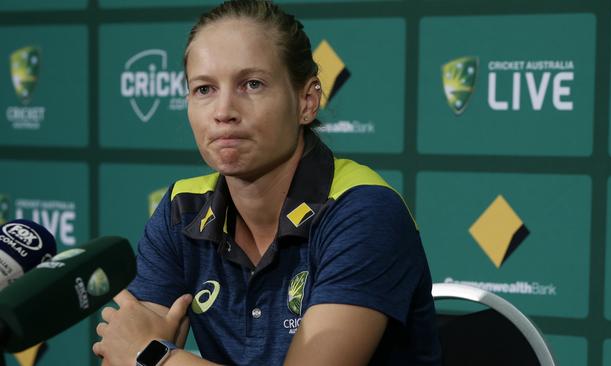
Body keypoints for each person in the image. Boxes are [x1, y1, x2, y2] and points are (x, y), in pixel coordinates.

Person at [92, 1, 442, 365]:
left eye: (252, 84)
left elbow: (136, 352)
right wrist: (139, 351)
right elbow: (118, 354)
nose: (223, 111)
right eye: (204, 89)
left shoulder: (364, 210)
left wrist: (154, 358)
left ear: (307, 101)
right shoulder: (182, 209)